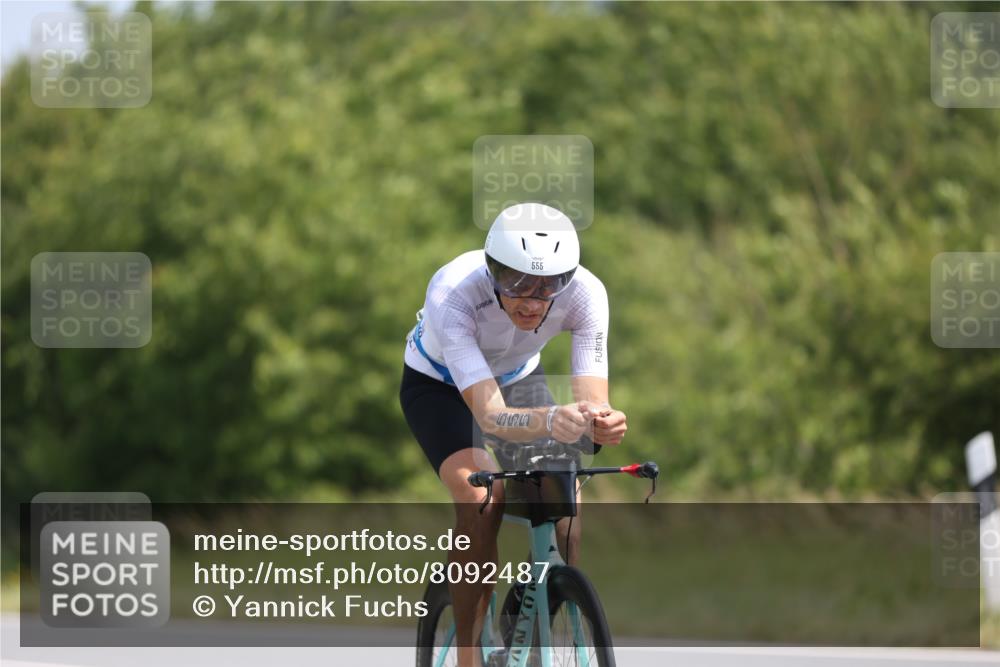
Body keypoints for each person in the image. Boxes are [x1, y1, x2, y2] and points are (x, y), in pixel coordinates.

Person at [399, 202, 627, 667]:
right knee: (483, 497)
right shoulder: (453, 293)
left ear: (568, 277)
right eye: (515, 281)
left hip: (519, 378)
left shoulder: (586, 294)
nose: (530, 299)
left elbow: (590, 401)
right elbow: (489, 416)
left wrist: (602, 421)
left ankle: (534, 613)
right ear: (491, 268)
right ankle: (469, 656)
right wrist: (549, 421)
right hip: (439, 384)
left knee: (565, 505)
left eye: (547, 286)